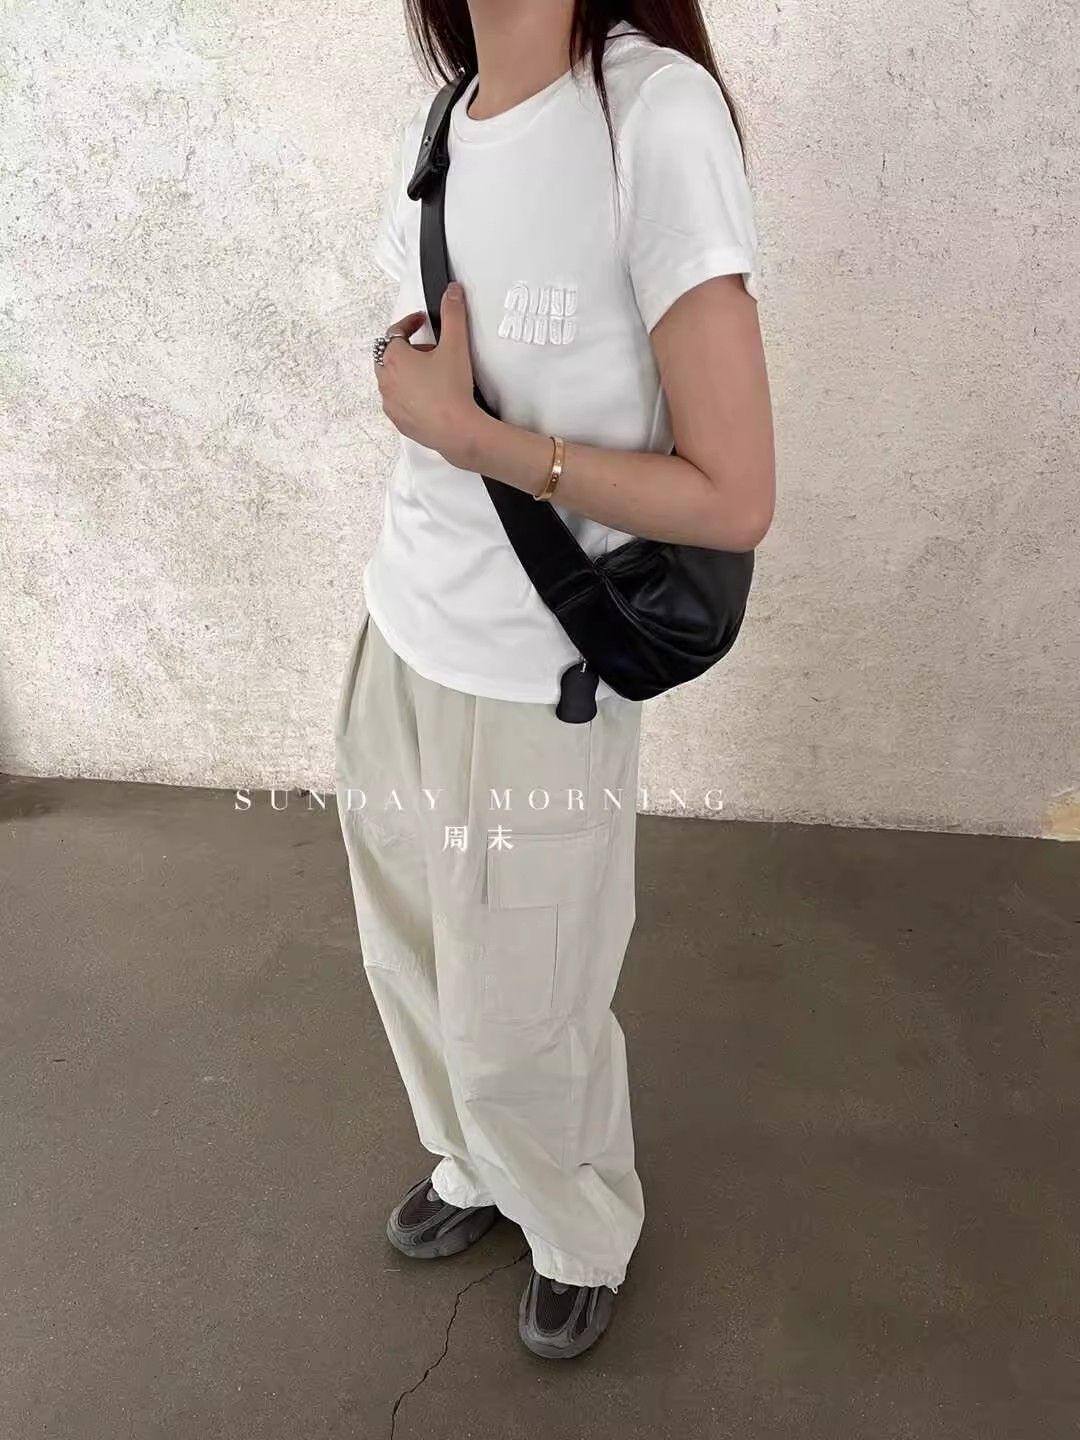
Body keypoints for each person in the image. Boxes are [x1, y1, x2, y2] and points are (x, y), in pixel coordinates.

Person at [334, 0, 775, 1360]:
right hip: (400, 625)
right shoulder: (447, 118)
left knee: (527, 1007)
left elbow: (735, 494)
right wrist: (406, 375)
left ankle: (577, 1226)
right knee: (411, 956)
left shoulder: (654, 118)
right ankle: (476, 1159)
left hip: (542, 672)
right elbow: (447, 352)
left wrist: (473, 435)